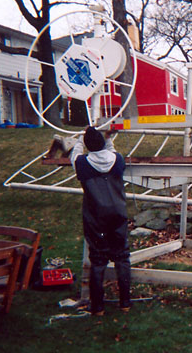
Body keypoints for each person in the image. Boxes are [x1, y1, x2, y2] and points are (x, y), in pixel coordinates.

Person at [70, 127, 131, 316]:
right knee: (122, 257)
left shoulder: (82, 163)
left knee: (97, 259)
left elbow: (75, 153)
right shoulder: (117, 159)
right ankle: (125, 303)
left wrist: (80, 138)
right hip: (118, 213)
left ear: (88, 146)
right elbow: (111, 150)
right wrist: (108, 137)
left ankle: (97, 307)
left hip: (96, 217)